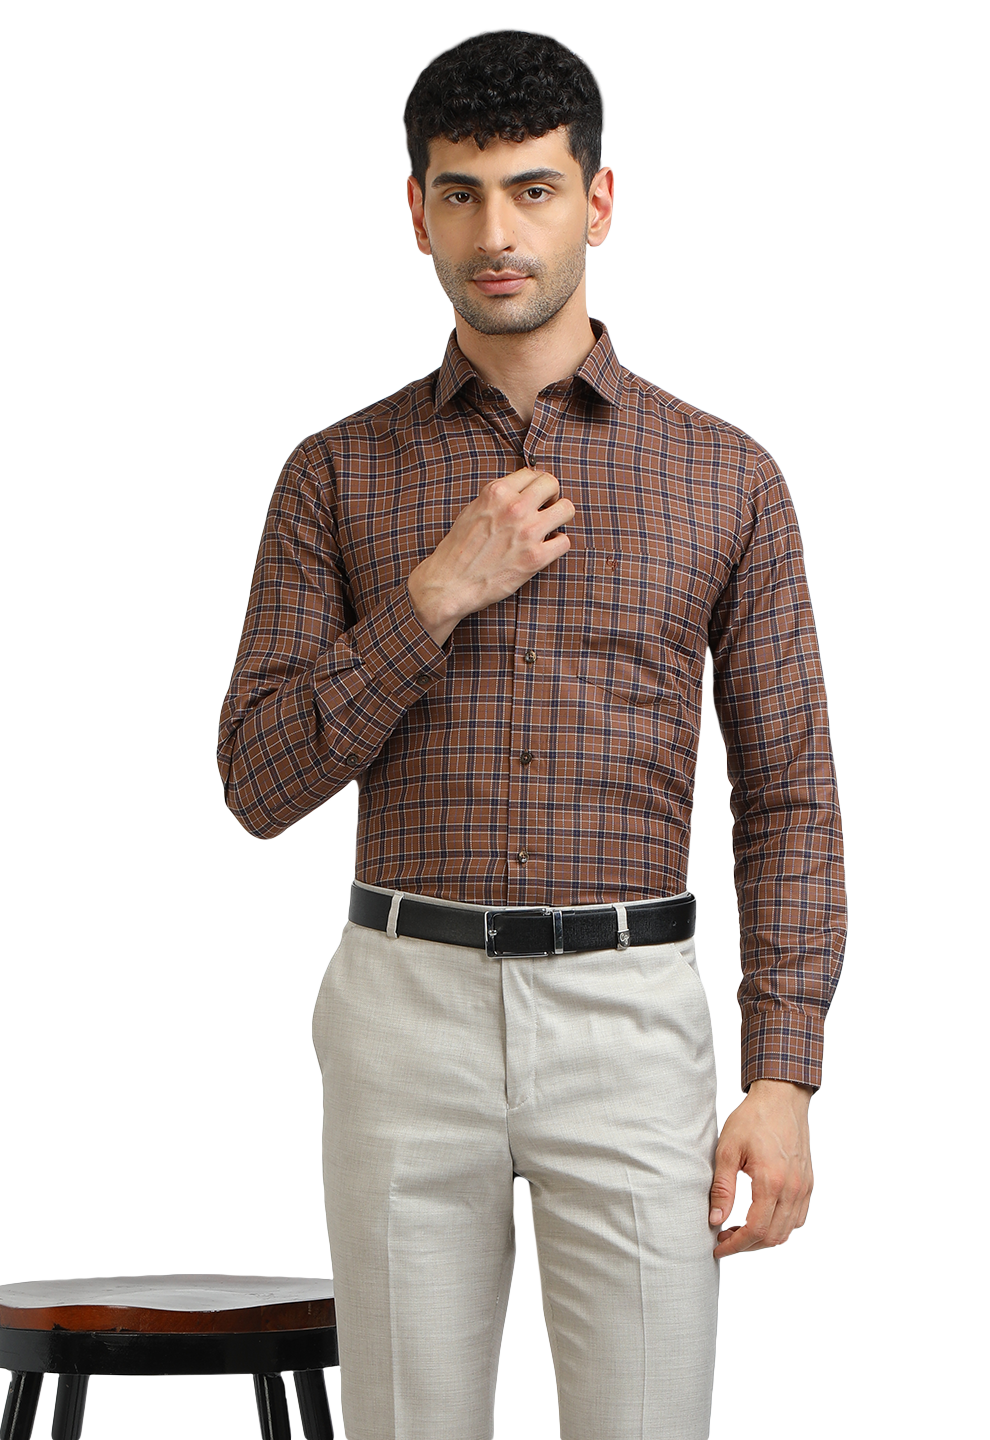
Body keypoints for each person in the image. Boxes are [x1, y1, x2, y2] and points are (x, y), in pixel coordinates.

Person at [217, 26, 845, 1440]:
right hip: (401, 1017)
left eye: (534, 189)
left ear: (599, 201)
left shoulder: (725, 477)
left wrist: (784, 1075)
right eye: (461, 193)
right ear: (416, 208)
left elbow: (793, 792)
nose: (497, 232)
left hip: (630, 1026)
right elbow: (258, 779)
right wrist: (437, 592)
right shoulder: (337, 474)